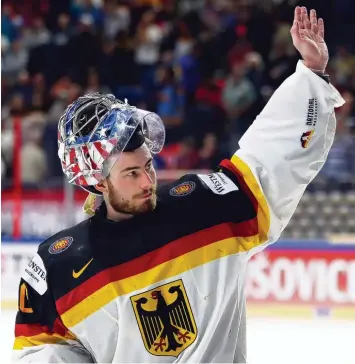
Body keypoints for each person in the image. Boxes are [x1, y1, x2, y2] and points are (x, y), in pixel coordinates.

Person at [12, 7, 344, 363]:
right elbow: (45, 355)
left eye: (148, 165)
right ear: (96, 182)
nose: (147, 181)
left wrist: (310, 73)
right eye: (130, 173)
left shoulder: (206, 207)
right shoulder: (58, 267)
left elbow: (269, 161)